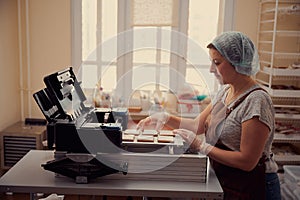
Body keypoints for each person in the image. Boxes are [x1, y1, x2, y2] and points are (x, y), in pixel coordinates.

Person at [137, 31, 281, 200]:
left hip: (254, 186)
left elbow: (247, 161)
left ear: (237, 63)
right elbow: (197, 125)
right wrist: (166, 117)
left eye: (217, 62)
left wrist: (201, 146)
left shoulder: (257, 100)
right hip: (227, 180)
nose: (212, 69)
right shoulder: (225, 92)